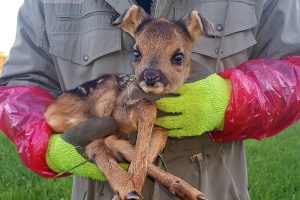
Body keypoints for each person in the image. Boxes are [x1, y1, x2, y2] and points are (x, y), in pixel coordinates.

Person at [1, 0, 300, 199]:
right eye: (138, 56)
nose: (152, 75)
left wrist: (234, 99)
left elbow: (294, 69)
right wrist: (49, 145)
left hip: (216, 186)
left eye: (177, 57)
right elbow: (19, 84)